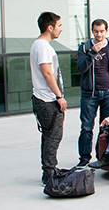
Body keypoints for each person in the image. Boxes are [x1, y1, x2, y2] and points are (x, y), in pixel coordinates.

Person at [76, 19, 109, 167]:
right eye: (96, 31)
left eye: (102, 31)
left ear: (106, 31)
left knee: (105, 127)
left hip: (108, 93)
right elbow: (81, 68)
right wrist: (92, 53)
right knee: (86, 127)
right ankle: (84, 158)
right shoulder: (85, 47)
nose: (99, 34)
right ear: (92, 31)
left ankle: (101, 156)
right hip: (89, 94)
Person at [30, 12, 67, 185]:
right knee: (53, 136)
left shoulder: (38, 45)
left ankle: (49, 171)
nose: (61, 29)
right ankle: (49, 173)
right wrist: (59, 96)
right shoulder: (43, 46)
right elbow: (47, 73)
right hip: (47, 99)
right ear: (50, 27)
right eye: (59, 25)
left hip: (43, 98)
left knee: (49, 136)